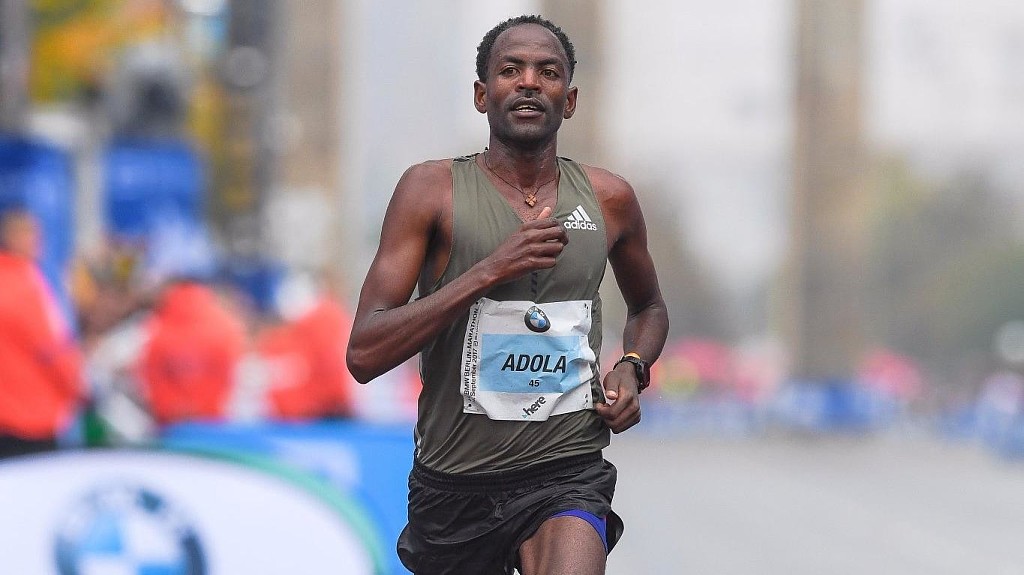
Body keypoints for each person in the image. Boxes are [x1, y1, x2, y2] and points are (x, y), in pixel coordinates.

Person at [347, 15, 668, 575]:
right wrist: (489, 270)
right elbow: (365, 353)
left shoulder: (609, 199)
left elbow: (650, 308)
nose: (529, 82)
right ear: (481, 95)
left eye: (548, 72)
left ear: (569, 101)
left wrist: (632, 367)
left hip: (566, 466)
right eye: (510, 70)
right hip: (455, 480)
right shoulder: (431, 191)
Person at [0, 207, 84, 459]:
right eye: (31, 234)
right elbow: (52, 347)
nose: (38, 242)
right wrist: (77, 388)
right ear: (12, 237)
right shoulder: (26, 285)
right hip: (30, 417)